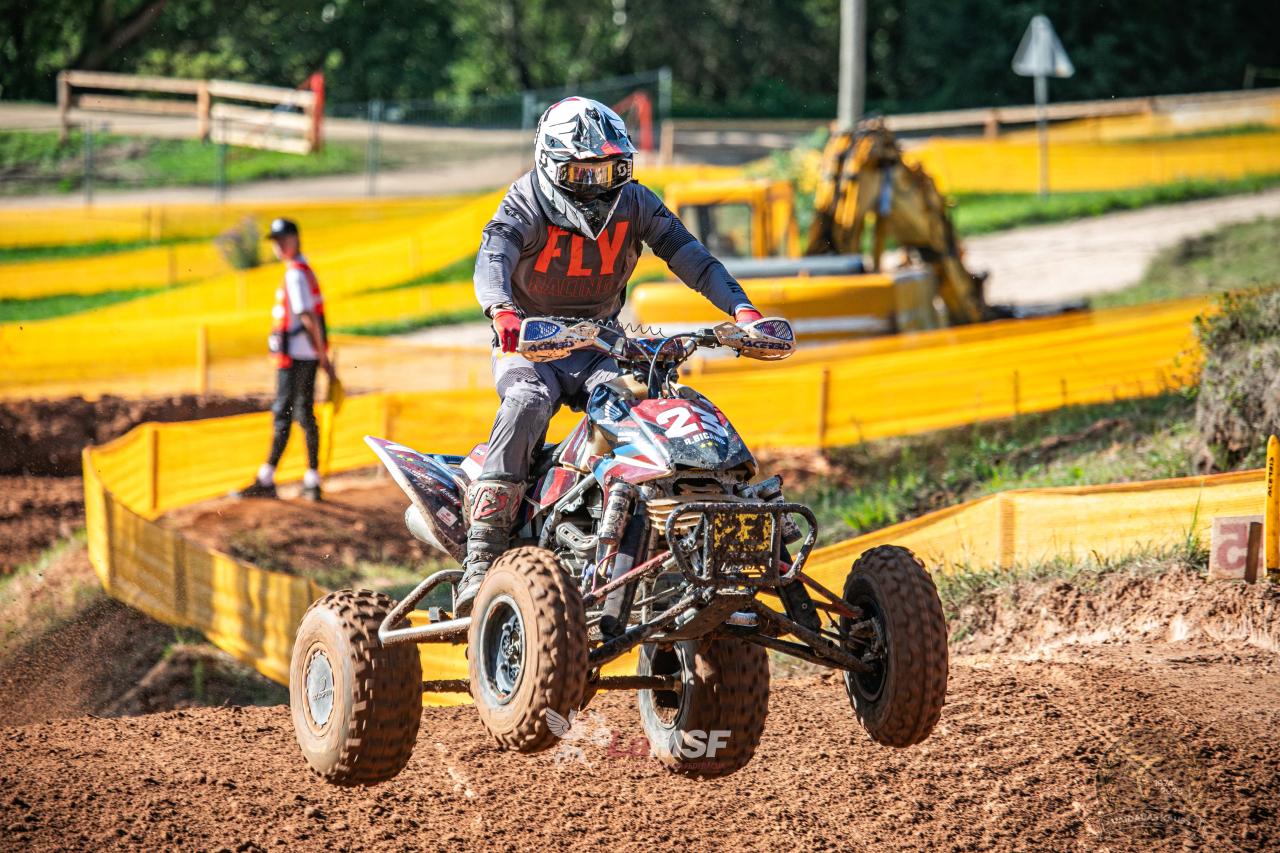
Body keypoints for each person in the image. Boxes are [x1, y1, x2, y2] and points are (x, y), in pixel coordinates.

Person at [456, 97, 764, 614]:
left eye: (610, 170)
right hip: (529, 340)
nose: (597, 185)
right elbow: (493, 254)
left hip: (600, 343)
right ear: (550, 163)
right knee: (528, 401)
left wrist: (743, 310)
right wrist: (501, 310)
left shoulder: (636, 203)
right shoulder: (525, 200)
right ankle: (482, 553)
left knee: (642, 406)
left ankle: (649, 535)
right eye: (583, 172)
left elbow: (691, 256)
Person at [233, 218, 337, 502]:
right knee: (304, 413)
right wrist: (320, 355)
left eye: (282, 240)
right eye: (275, 242)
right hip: (306, 355)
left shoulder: (295, 274)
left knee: (284, 412)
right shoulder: (304, 268)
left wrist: (322, 355)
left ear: (295, 239)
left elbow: (307, 316)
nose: (278, 246)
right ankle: (311, 479)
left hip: (295, 357)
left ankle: (267, 479)